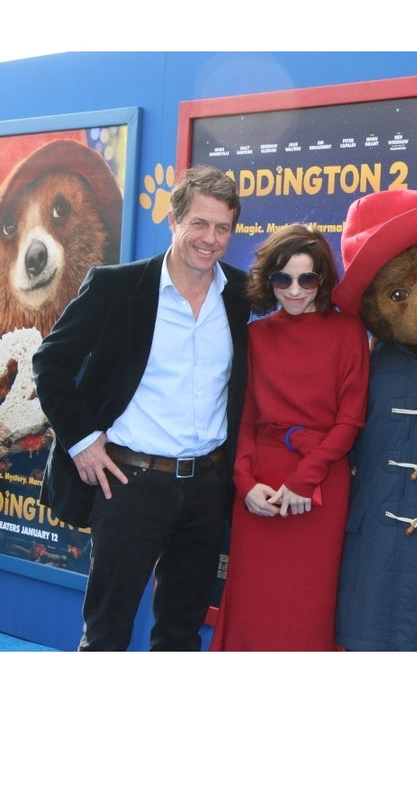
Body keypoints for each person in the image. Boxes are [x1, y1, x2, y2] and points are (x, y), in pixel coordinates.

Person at [32, 165, 249, 651]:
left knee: (181, 631)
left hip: (208, 489)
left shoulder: (238, 295)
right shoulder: (115, 287)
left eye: (222, 228)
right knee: (107, 631)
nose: (210, 239)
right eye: (199, 223)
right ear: (173, 222)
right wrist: (84, 442)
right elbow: (50, 364)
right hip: (130, 485)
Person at [210, 224, 369, 651]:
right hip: (259, 488)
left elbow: (350, 420)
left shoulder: (348, 330)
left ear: (323, 279)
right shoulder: (256, 336)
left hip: (319, 484)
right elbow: (242, 418)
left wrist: (305, 479)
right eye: (283, 279)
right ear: (269, 280)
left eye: (307, 279)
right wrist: (244, 484)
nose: (295, 290)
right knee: (251, 601)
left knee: (309, 604)